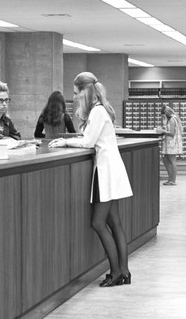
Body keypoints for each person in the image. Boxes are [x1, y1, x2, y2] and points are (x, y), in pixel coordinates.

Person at [49, 72, 133, 287]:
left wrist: (65, 143)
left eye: (77, 93)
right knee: (114, 222)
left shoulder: (97, 111)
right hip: (112, 169)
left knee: (98, 222)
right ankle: (123, 272)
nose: (75, 97)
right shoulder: (101, 110)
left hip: (106, 172)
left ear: (85, 92)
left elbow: (88, 142)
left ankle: (115, 273)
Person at [156, 104, 183, 185]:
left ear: (166, 113)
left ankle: (173, 180)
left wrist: (162, 131)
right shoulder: (171, 119)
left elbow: (172, 133)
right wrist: (163, 128)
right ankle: (170, 179)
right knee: (165, 159)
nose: (162, 117)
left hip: (172, 143)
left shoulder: (172, 119)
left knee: (172, 161)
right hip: (169, 142)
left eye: (163, 115)